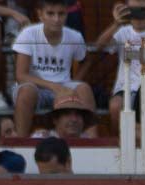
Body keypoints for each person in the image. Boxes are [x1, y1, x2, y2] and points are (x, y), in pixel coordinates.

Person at [12, 0, 93, 137]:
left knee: (84, 88)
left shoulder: (75, 36)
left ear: (66, 14)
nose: (56, 19)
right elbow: (21, 75)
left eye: (61, 14)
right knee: (26, 91)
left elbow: (87, 60)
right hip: (34, 87)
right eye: (50, 13)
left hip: (63, 86)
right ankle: (21, 141)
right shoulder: (28, 34)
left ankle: (91, 142)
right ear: (40, 14)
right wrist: (54, 87)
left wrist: (74, 82)